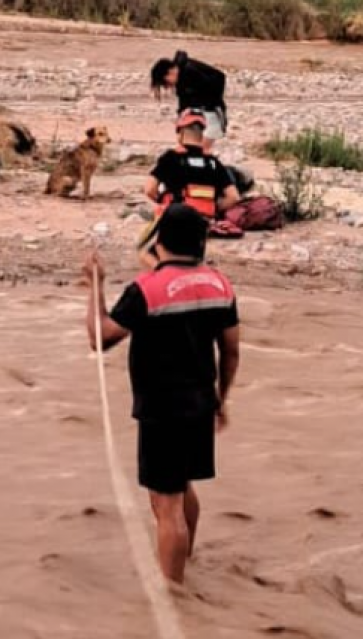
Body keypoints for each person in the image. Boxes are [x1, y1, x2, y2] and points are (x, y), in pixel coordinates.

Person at [84, 204, 242, 584]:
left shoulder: (146, 289)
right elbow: (231, 350)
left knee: (165, 505)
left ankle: (173, 593)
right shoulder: (220, 285)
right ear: (201, 243)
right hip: (202, 403)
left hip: (163, 411)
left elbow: (100, 338)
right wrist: (222, 398)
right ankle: (184, 559)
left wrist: (96, 286)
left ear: (159, 241)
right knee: (184, 485)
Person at [137, 110, 241, 269]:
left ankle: (165, 278)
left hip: (175, 219)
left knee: (144, 251)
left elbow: (149, 189)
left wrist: (163, 203)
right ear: (202, 134)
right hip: (202, 222)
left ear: (180, 133)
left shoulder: (171, 158)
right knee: (193, 261)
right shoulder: (213, 163)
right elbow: (233, 197)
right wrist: (213, 208)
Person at [151, 51, 228, 155]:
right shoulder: (180, 80)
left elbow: (220, 78)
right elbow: (183, 102)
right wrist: (181, 118)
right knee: (192, 147)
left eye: (166, 83)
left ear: (170, 72)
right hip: (198, 115)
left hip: (212, 112)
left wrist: (209, 104)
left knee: (203, 148)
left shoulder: (190, 70)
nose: (168, 86)